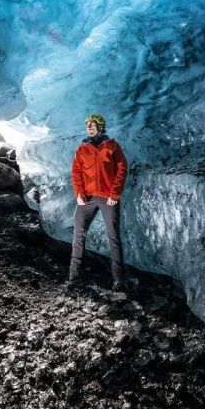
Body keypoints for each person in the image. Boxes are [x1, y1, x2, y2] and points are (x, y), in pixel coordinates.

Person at [64, 114, 129, 292]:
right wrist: (78, 192)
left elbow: (122, 169)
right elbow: (76, 171)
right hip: (87, 199)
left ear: (101, 126)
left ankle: (118, 280)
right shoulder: (83, 148)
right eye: (87, 125)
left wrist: (115, 193)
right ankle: (74, 277)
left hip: (109, 198)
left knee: (114, 237)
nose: (89, 127)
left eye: (92, 124)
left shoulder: (112, 146)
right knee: (78, 235)